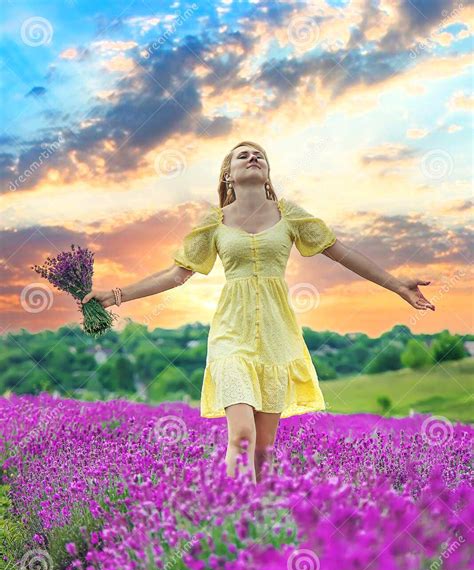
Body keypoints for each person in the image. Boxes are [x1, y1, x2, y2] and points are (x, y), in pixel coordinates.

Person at [82, 140, 435, 484]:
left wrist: (396, 284)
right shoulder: (214, 222)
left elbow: (343, 253)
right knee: (243, 438)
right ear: (228, 175)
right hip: (230, 337)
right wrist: (116, 296)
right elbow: (176, 274)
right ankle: (232, 510)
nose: (253, 158)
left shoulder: (289, 214)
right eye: (243, 156)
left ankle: (254, 522)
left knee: (263, 450)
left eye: (259, 156)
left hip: (276, 338)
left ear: (267, 173)